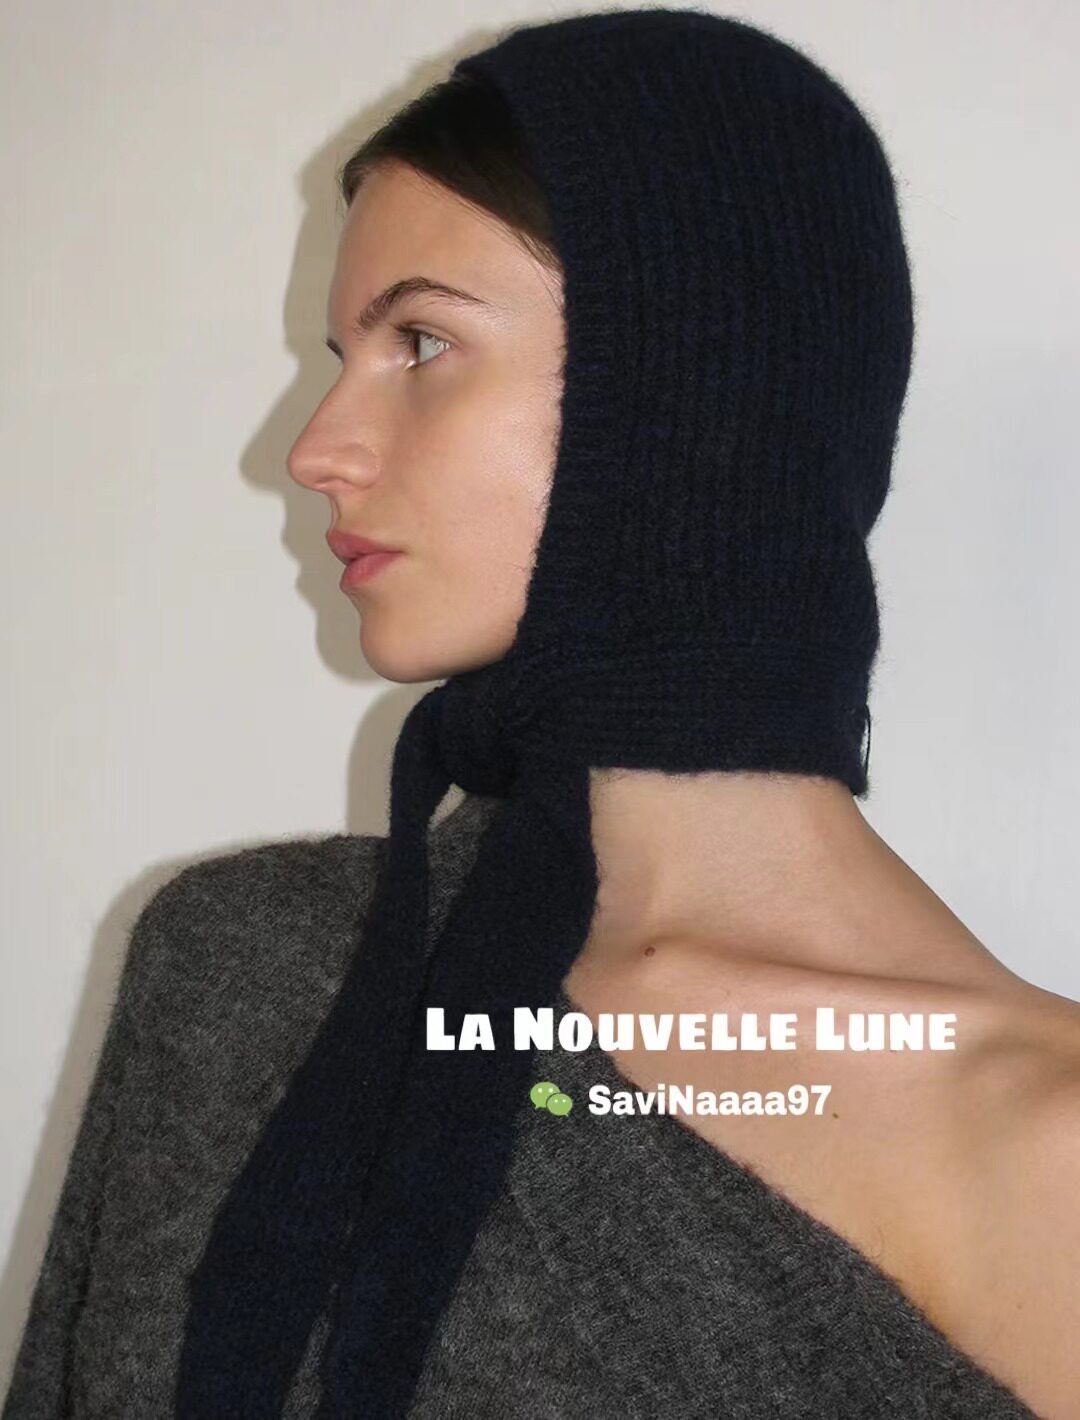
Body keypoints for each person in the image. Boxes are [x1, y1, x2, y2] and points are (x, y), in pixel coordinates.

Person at [5, 11, 1077, 1419]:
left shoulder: (1047, 1146)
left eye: (422, 342)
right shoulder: (247, 974)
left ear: (697, 392)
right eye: (343, 355)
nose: (314, 451)